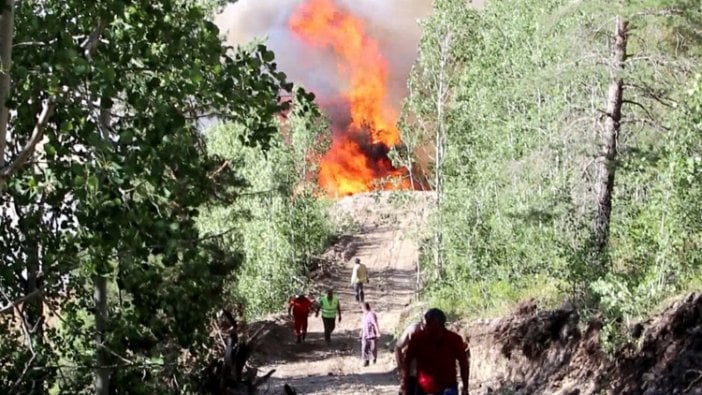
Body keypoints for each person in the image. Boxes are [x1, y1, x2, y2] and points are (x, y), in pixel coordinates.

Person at [401, 308, 470, 395]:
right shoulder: (417, 338)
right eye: (428, 324)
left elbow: (464, 363)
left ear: (442, 326)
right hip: (423, 387)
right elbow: (407, 362)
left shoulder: (454, 339)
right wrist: (404, 384)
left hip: (447, 386)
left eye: (433, 325)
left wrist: (465, 387)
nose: (429, 328)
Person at [395, 319, 423, 394]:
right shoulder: (413, 329)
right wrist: (401, 368)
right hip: (412, 372)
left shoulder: (439, 332)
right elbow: (398, 347)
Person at [360, 302, 380, 367]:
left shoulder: (371, 314)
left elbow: (375, 323)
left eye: (362, 308)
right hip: (365, 335)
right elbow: (364, 325)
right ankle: (366, 361)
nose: (362, 310)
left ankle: (374, 358)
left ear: (365, 308)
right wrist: (361, 331)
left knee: (373, 348)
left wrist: (378, 332)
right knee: (364, 348)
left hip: (372, 335)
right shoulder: (364, 315)